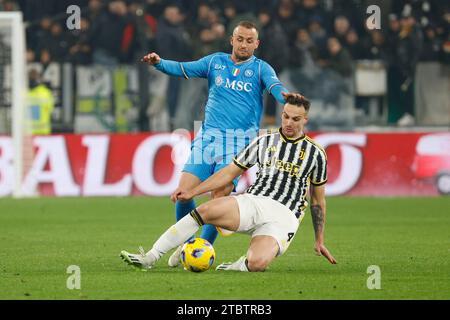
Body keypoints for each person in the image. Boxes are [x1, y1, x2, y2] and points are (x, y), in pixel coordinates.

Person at [140, 21, 302, 268]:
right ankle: (188, 245)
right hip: (207, 138)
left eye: (250, 41)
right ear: (232, 40)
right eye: (240, 39)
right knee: (183, 195)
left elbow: (275, 86)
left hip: (238, 143)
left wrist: (286, 97)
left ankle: (203, 247)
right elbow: (184, 68)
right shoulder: (215, 62)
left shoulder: (260, 69)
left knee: (218, 198)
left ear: (256, 44)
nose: (244, 44)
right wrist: (159, 63)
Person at [120, 95, 337, 272]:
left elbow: (318, 201)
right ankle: (150, 256)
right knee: (203, 211)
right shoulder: (264, 141)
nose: (289, 123)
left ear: (305, 120)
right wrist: (193, 191)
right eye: (286, 116)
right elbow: (228, 173)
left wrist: (319, 239)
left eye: (295, 119)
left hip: (285, 216)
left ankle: (238, 265)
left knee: (257, 263)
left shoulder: (316, 153)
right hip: (255, 202)